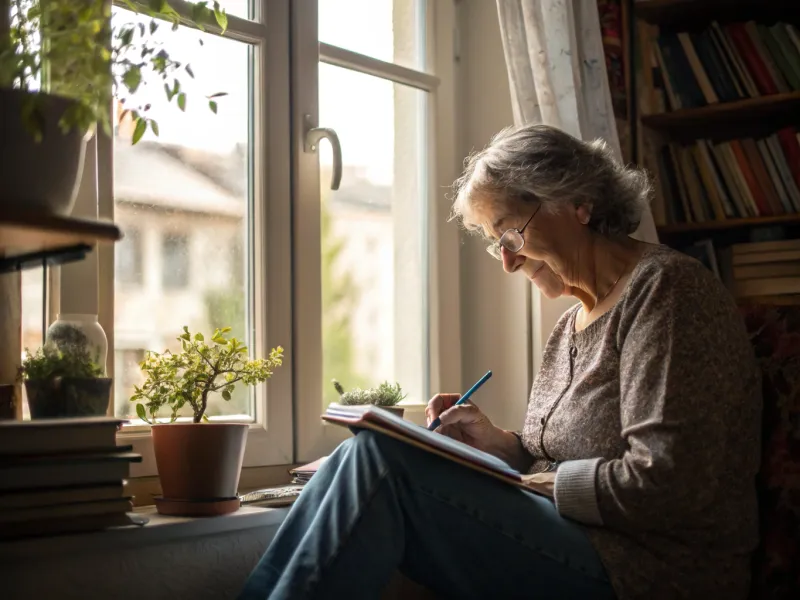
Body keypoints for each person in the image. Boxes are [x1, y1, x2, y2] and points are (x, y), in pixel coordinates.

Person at [239, 124, 762, 600]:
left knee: (381, 460)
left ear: (578, 202)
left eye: (511, 233)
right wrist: (499, 447)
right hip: (580, 539)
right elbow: (551, 454)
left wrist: (533, 483)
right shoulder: (569, 325)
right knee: (366, 452)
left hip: (650, 570)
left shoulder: (667, 291)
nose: (509, 262)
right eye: (497, 245)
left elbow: (669, 485)